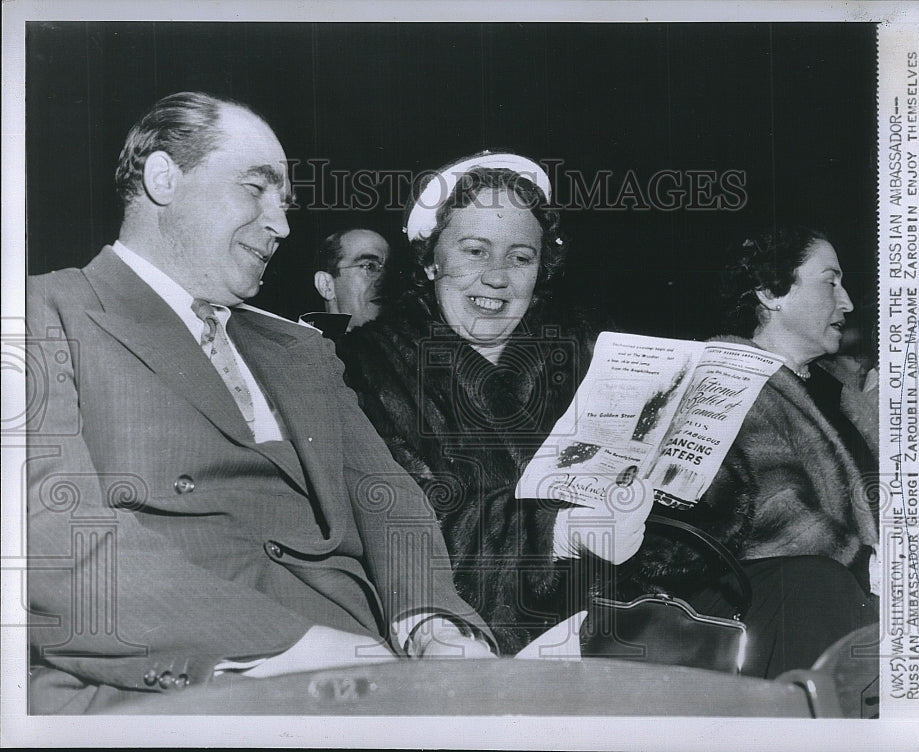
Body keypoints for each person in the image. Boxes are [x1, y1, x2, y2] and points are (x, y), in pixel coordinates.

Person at [25, 92, 493, 714]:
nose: (282, 224)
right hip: (176, 681)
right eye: (256, 188)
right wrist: (294, 645)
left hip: (367, 670)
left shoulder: (300, 349)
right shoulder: (40, 311)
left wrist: (430, 622)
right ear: (164, 178)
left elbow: (388, 501)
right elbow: (53, 535)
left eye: (286, 203)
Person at [337, 152, 653, 654]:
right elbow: (401, 533)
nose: (498, 277)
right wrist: (557, 531)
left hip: (616, 630)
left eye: (521, 257)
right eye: (475, 251)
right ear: (429, 260)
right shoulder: (363, 371)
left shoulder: (589, 358)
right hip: (467, 646)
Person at [615, 226, 880, 679]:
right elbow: (769, 512)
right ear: (771, 292)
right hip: (758, 603)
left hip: (831, 594)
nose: (847, 302)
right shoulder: (727, 377)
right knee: (820, 586)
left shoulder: (840, 393)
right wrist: (872, 565)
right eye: (830, 281)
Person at [307, 228, 391, 335]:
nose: (384, 280)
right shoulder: (300, 349)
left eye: (389, 269)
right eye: (370, 266)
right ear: (326, 286)